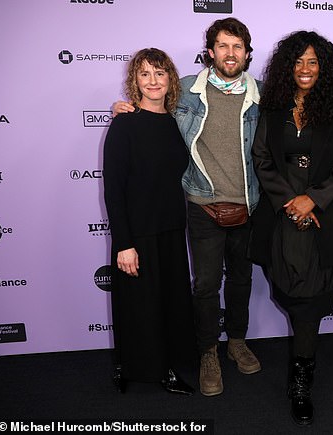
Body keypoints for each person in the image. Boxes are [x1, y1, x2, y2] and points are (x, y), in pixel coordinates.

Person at [112, 18, 262, 397]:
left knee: (242, 281)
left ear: (247, 52)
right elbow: (148, 118)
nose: (230, 53)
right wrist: (122, 109)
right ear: (210, 51)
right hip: (201, 207)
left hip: (247, 206)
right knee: (207, 285)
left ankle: (238, 342)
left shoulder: (262, 97)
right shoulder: (188, 97)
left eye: (238, 46)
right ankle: (208, 352)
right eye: (223, 46)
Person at [250, 31, 333, 425]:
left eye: (313, 62)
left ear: (325, 67)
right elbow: (261, 157)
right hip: (283, 219)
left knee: (312, 304)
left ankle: (301, 381)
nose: (305, 69)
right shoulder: (273, 105)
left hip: (327, 218)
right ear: (287, 67)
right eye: (297, 62)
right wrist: (289, 202)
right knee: (292, 295)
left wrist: (313, 198)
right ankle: (302, 361)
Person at [103, 48, 194, 395]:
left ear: (170, 78)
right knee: (136, 306)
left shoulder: (175, 123)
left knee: (169, 304)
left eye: (159, 73)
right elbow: (114, 189)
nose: (153, 81)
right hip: (137, 233)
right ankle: (128, 366)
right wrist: (124, 243)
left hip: (171, 228)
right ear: (134, 81)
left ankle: (169, 368)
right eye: (144, 74)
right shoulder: (124, 123)